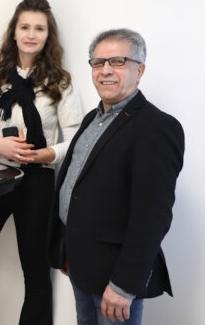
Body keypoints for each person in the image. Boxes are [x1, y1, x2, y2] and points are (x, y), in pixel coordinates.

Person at [0, 0, 83, 325]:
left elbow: (76, 140)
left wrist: (48, 153)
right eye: (24, 26)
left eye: (39, 28)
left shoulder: (61, 83)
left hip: (38, 181)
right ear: (14, 32)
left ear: (47, 35)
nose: (30, 34)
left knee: (36, 272)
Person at [47, 29, 184, 325]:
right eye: (98, 63)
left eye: (118, 61)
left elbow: (153, 217)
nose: (105, 70)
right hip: (81, 264)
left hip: (115, 279)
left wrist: (124, 285)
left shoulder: (156, 128)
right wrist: (67, 250)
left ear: (140, 69)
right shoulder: (92, 119)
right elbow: (79, 187)